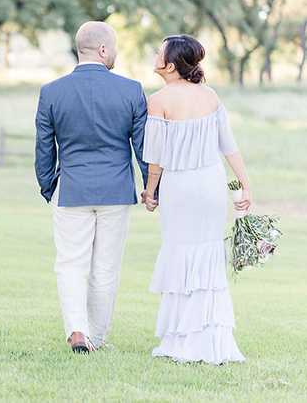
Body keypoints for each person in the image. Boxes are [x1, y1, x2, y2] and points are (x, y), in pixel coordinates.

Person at [34, 21, 149, 353]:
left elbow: (44, 149)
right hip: (116, 191)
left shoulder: (52, 92)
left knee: (70, 263)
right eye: (113, 47)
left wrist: (48, 187)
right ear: (102, 50)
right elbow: (143, 149)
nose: (115, 52)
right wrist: (151, 188)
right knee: (105, 268)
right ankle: (95, 338)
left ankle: (78, 332)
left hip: (70, 189)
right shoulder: (131, 90)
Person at [142, 34, 251, 364]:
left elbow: (156, 159)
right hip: (212, 185)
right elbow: (228, 145)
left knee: (180, 255)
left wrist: (149, 192)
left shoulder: (158, 100)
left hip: (180, 188)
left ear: (170, 65)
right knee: (207, 257)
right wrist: (245, 185)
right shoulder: (211, 96)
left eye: (159, 52)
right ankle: (212, 338)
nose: (155, 55)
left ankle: (181, 341)